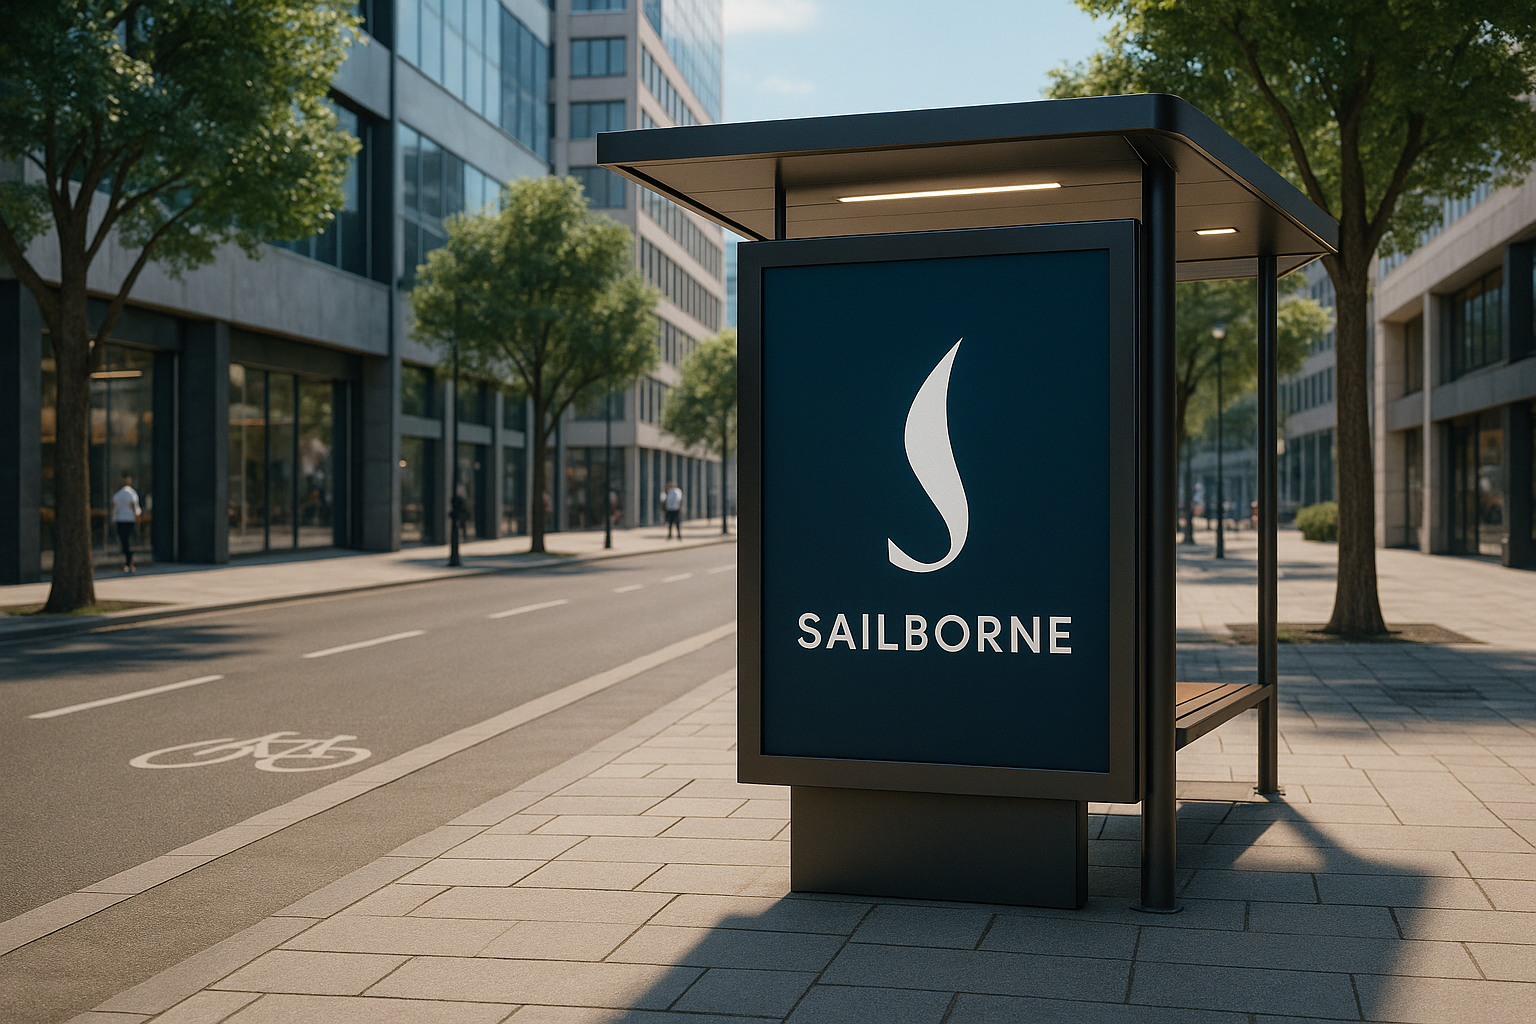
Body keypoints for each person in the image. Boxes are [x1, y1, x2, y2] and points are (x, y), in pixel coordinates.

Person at [111, 472, 142, 573]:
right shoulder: (131, 493)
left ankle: (128, 561)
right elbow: (135, 507)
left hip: (121, 520)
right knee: (129, 541)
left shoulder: (118, 494)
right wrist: (137, 519)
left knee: (124, 541)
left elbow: (115, 508)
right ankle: (129, 561)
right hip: (129, 520)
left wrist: (114, 519)